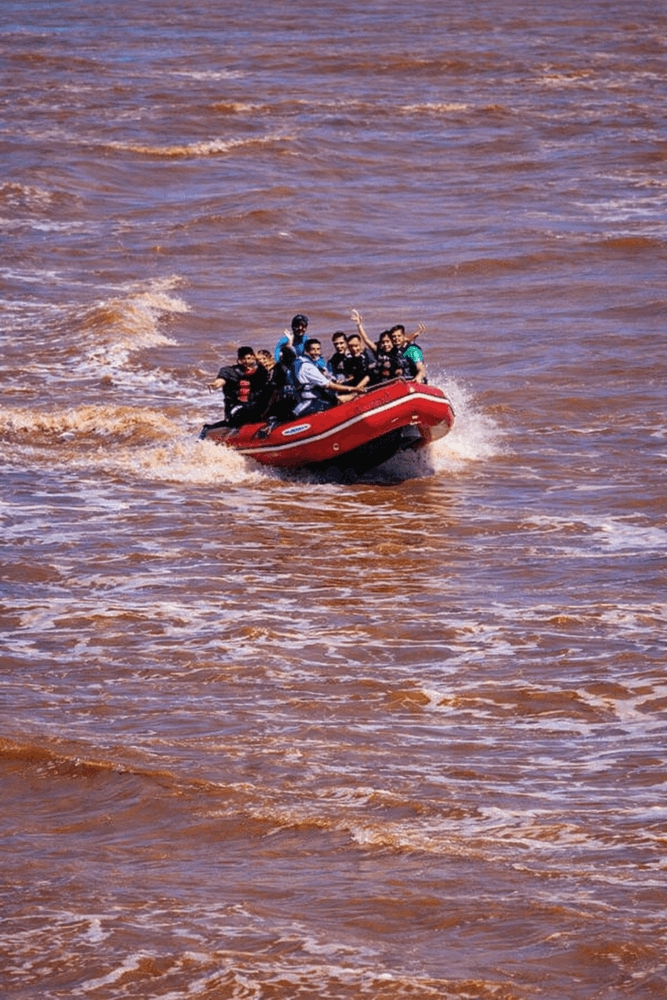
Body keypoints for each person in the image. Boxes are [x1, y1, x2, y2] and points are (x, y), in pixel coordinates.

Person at [292, 339, 366, 417]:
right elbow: (329, 385)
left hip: (303, 398)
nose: (316, 352)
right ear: (306, 350)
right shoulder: (308, 367)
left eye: (318, 349)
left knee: (332, 395)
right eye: (313, 349)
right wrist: (354, 388)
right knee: (337, 399)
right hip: (309, 402)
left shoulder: (299, 361)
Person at [207, 346, 268, 427]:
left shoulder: (261, 371)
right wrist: (216, 384)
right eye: (243, 359)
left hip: (254, 406)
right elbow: (222, 380)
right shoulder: (229, 371)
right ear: (239, 359)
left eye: (249, 358)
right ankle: (211, 428)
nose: (246, 361)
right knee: (246, 411)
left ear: (254, 357)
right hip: (235, 407)